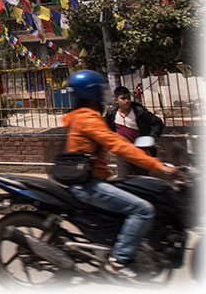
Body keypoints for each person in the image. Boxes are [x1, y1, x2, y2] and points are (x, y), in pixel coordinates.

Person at [62, 70, 181, 278]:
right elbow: (118, 145)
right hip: (90, 185)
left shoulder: (82, 117)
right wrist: (158, 166)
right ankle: (118, 261)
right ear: (92, 94)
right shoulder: (89, 119)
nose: (105, 95)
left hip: (94, 180)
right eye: (101, 90)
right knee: (143, 209)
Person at [104, 85, 164, 177]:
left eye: (128, 98)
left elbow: (157, 123)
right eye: (123, 98)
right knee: (123, 181)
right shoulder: (112, 114)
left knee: (143, 180)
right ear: (116, 100)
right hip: (123, 154)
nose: (127, 101)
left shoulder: (139, 112)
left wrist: (150, 138)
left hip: (140, 153)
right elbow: (107, 128)